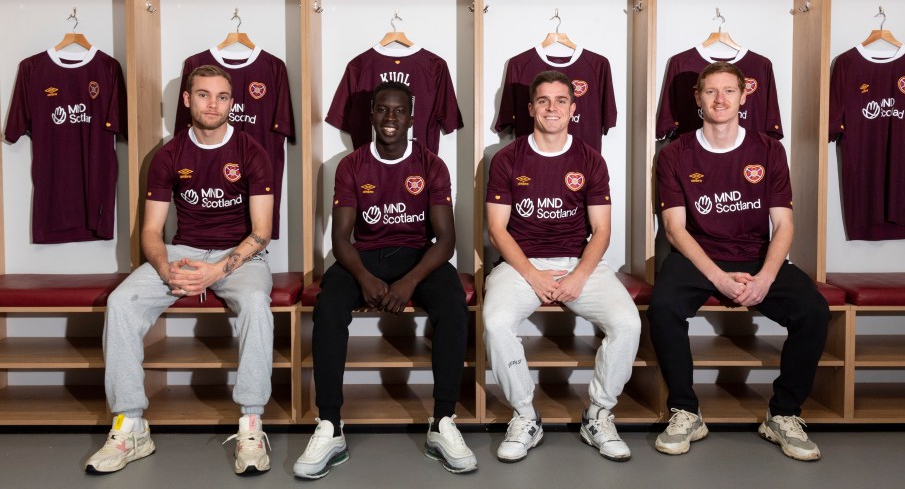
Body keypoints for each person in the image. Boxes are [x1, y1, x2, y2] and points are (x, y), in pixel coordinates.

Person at [84, 65, 275, 476]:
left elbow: (262, 232)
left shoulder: (251, 151)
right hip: (183, 251)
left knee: (257, 304)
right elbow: (151, 232)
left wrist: (216, 272)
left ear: (232, 103)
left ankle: (251, 423)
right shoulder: (169, 155)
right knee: (121, 303)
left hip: (240, 254)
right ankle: (130, 425)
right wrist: (166, 268)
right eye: (204, 95)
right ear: (187, 100)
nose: (213, 104)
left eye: (222, 97)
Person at [293, 81, 476, 479]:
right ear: (371, 115)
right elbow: (341, 239)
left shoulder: (431, 165)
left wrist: (409, 283)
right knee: (329, 305)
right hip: (363, 256)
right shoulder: (351, 165)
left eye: (399, 111)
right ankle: (330, 425)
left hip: (419, 257)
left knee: (452, 303)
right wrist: (363, 276)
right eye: (382, 110)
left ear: (411, 118)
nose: (390, 118)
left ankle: (443, 421)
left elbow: (446, 240)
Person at [649, 61, 831, 461]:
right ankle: (686, 411)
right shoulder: (675, 153)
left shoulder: (768, 149)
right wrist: (718, 278)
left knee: (814, 310)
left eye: (729, 91)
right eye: (710, 91)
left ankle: (783, 414)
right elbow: (675, 230)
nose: (720, 99)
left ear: (744, 96)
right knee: (662, 305)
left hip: (755, 252)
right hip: (697, 255)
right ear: (698, 98)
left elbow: (784, 224)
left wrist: (765, 278)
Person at [483, 70, 641, 463]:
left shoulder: (590, 159)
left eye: (560, 101)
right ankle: (525, 416)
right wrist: (532, 275)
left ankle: (598, 414)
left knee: (628, 323)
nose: (552, 108)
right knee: (496, 322)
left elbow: (602, 230)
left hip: (578, 261)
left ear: (573, 109)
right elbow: (497, 230)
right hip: (521, 264)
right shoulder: (506, 159)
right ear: (531, 108)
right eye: (543, 100)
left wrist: (580, 275)